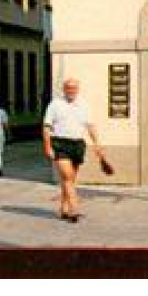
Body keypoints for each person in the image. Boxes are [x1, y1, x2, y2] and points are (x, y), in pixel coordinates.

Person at [42, 77, 108, 223]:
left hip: (78, 144)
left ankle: (64, 208)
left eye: (74, 88)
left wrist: (98, 144)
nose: (71, 90)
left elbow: (90, 126)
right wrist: (47, 146)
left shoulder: (84, 105)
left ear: (77, 90)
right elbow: (46, 126)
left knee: (70, 179)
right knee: (67, 176)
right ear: (64, 89)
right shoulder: (55, 104)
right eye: (68, 88)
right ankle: (74, 209)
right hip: (60, 143)